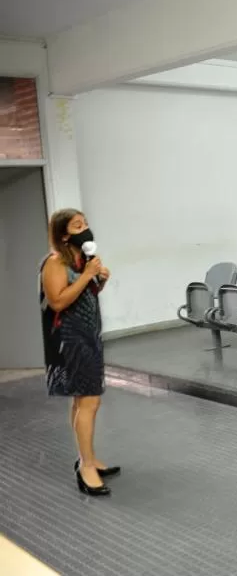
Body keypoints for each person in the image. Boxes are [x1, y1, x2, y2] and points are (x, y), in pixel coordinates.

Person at [40, 209, 116, 496]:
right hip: (71, 340)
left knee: (82, 401)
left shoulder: (80, 259)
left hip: (89, 334)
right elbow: (58, 302)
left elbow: (86, 294)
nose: (85, 229)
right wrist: (87, 275)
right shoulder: (55, 262)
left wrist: (100, 278)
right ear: (63, 235)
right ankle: (85, 468)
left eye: (85, 223)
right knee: (90, 402)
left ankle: (89, 458)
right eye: (77, 225)